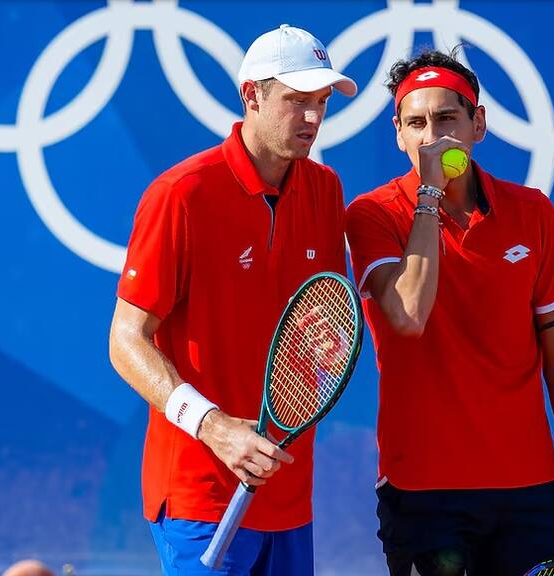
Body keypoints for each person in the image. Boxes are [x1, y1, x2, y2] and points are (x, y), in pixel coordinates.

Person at [344, 48, 554, 576]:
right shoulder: (371, 215)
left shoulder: (533, 212)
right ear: (398, 134)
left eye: (448, 118)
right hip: (422, 494)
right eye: (416, 123)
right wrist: (429, 193)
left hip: (529, 492)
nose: (433, 137)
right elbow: (408, 314)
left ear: (478, 124)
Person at [108, 24, 356, 576]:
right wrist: (214, 426)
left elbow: (323, 324)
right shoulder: (182, 194)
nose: (313, 119)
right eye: (297, 102)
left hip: (288, 496)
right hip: (200, 497)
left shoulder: (325, 189)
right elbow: (125, 340)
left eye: (320, 103)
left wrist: (325, 340)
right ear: (252, 95)